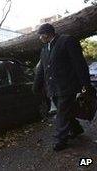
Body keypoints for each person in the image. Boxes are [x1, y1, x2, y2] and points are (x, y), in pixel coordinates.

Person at [32, 23, 91, 151]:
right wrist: (36, 86)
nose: (39, 38)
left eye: (40, 35)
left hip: (67, 86)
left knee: (61, 114)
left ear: (47, 34)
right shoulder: (44, 49)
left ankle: (60, 140)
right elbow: (41, 70)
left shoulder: (66, 41)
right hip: (53, 88)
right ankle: (76, 129)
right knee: (64, 111)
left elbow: (79, 63)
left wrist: (86, 84)